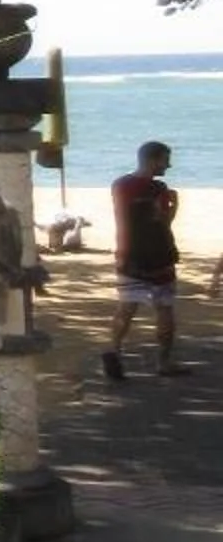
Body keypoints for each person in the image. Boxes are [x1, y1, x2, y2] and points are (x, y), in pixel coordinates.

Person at [107, 142, 188, 380]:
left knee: (126, 307)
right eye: (165, 160)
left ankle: (114, 351)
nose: (168, 165)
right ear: (153, 160)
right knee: (164, 307)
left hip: (128, 253)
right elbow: (164, 222)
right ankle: (163, 361)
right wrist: (175, 205)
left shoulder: (120, 185)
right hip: (160, 255)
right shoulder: (158, 188)